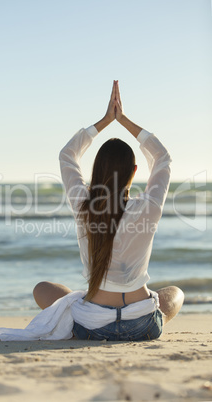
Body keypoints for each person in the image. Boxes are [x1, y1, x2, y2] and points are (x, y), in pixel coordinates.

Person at [32, 80, 184, 342]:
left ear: (96, 170)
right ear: (134, 172)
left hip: (91, 325)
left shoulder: (83, 204)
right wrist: (123, 120)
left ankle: (84, 311)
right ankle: (152, 317)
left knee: (42, 289)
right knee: (174, 293)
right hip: (142, 326)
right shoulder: (148, 208)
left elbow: (67, 155)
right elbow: (163, 158)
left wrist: (104, 121)